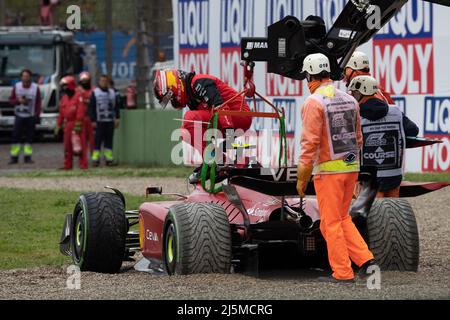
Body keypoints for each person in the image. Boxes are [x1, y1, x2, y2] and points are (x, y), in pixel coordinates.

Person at [296, 53, 377, 283]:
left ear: (310, 75)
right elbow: (358, 139)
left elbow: (309, 144)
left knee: (330, 224)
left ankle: (342, 273)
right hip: (351, 168)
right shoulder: (350, 99)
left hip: (329, 173)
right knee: (343, 219)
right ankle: (367, 261)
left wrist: (302, 177)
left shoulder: (314, 102)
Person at [153, 69, 253, 181]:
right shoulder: (192, 96)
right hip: (228, 116)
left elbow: (220, 106)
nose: (173, 101)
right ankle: (219, 162)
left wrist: (229, 135)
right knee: (185, 133)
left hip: (239, 114)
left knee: (190, 119)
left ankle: (214, 162)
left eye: (171, 97)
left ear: (175, 88)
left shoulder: (198, 82)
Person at [348, 76, 419, 198]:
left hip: (368, 179)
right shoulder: (395, 112)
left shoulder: (355, 115)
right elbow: (413, 130)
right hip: (394, 176)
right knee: (392, 212)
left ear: (361, 93)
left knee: (372, 215)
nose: (352, 96)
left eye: (354, 93)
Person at [55, 76, 88, 170]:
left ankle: (83, 165)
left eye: (65, 86)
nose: (64, 88)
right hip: (68, 125)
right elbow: (61, 113)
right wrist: (58, 126)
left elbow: (80, 112)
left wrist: (77, 126)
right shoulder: (64, 98)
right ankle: (67, 165)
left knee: (80, 146)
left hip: (77, 124)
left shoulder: (78, 97)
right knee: (67, 146)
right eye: (63, 86)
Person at [8, 69, 41, 164]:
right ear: (21, 77)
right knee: (16, 137)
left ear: (30, 77)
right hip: (19, 116)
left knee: (29, 137)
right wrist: (18, 101)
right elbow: (11, 100)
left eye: (27, 76)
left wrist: (37, 115)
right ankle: (14, 157)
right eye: (24, 76)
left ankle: (28, 157)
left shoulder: (35, 88)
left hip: (30, 116)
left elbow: (38, 102)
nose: (25, 78)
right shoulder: (17, 86)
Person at [88, 74, 120, 167]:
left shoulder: (112, 93)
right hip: (99, 121)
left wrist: (117, 118)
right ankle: (95, 160)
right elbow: (91, 107)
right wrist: (93, 120)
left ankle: (109, 159)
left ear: (108, 82)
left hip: (109, 121)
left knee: (109, 140)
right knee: (97, 140)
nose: (104, 82)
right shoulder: (95, 93)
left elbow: (116, 106)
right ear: (99, 82)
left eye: (105, 81)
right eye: (102, 81)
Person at [77, 71, 95, 153]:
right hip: (81, 118)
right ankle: (83, 158)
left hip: (91, 118)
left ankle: (94, 157)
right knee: (82, 139)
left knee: (92, 139)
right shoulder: (77, 91)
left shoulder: (94, 90)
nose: (85, 83)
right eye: (83, 81)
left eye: (86, 81)